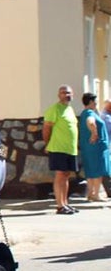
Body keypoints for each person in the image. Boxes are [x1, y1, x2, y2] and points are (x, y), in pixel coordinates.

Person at [42, 84, 80, 214]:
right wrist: (47, 143)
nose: (66, 95)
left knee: (66, 175)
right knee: (60, 175)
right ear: (59, 95)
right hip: (58, 148)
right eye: (63, 93)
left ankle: (65, 203)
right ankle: (59, 205)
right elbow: (47, 128)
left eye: (68, 93)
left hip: (70, 149)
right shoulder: (54, 109)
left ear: (72, 95)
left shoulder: (70, 109)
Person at [78, 92, 110, 202]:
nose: (96, 103)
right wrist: (94, 133)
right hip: (96, 147)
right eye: (95, 101)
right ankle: (95, 194)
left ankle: (90, 193)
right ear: (91, 102)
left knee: (90, 170)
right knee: (98, 170)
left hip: (88, 147)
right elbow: (90, 122)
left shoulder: (84, 113)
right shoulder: (89, 113)